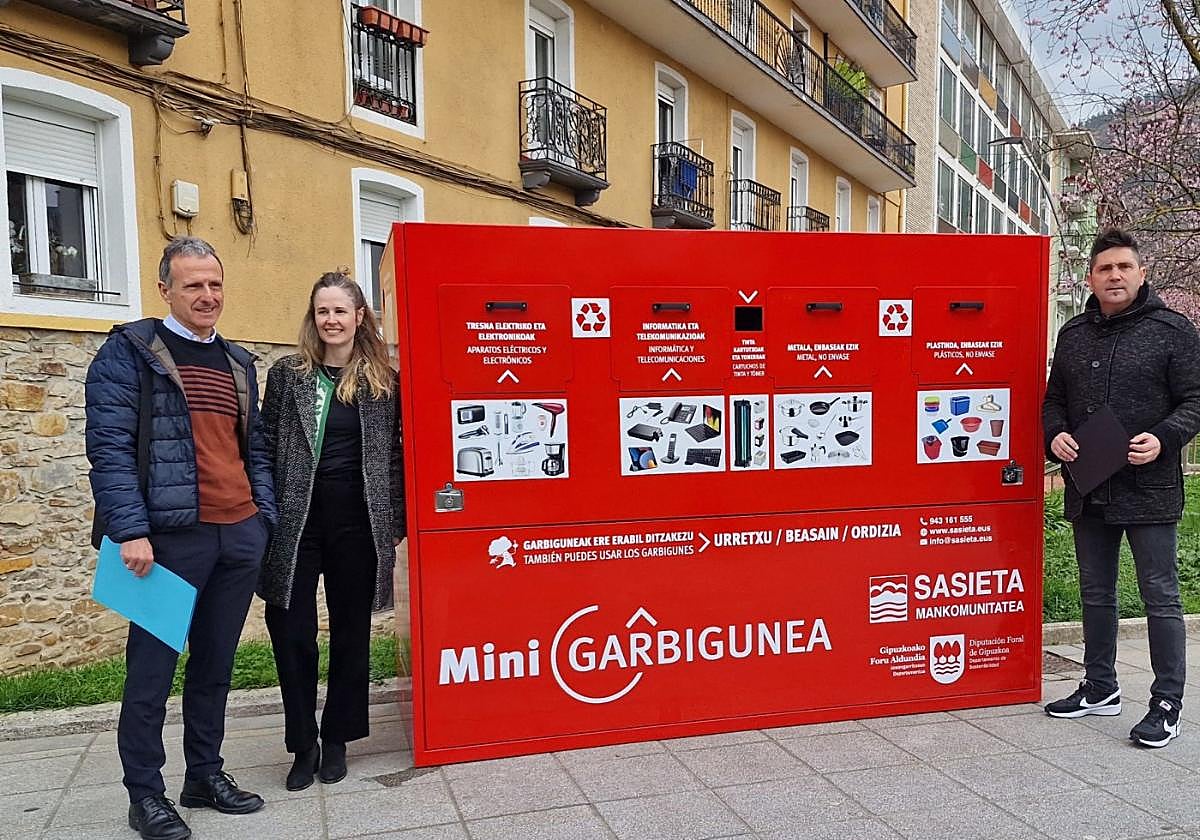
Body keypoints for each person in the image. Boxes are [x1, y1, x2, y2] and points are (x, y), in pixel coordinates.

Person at [85, 236, 277, 840]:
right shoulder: (127, 355)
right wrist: (130, 530)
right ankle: (145, 795)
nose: (207, 295)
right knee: (151, 675)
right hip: (167, 543)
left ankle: (204, 775)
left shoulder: (238, 362)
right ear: (164, 289)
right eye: (193, 284)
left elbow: (255, 449)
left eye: (215, 284)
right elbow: (110, 450)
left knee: (215, 666)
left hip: (236, 536)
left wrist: (261, 519)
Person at [1043, 227, 1200, 747]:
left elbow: (1195, 400)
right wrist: (1055, 434)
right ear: (1090, 278)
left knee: (1160, 594)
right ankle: (1100, 687)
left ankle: (1167, 703)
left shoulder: (1172, 330)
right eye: (1105, 268)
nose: (1115, 275)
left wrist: (1164, 437)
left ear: (1141, 273)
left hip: (1148, 487)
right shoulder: (1073, 334)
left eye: (1124, 267)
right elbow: (1054, 401)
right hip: (1089, 486)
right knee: (1095, 592)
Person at [258, 272, 405, 791]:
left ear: (359, 317)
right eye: (323, 311)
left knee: (351, 633)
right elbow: (263, 443)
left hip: (358, 524)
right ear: (313, 316)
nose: (331, 320)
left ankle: (338, 738)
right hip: (296, 523)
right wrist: (266, 511)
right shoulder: (288, 375)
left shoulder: (384, 382)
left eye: (340, 310)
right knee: (291, 631)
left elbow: (396, 456)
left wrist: (394, 520)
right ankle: (303, 743)